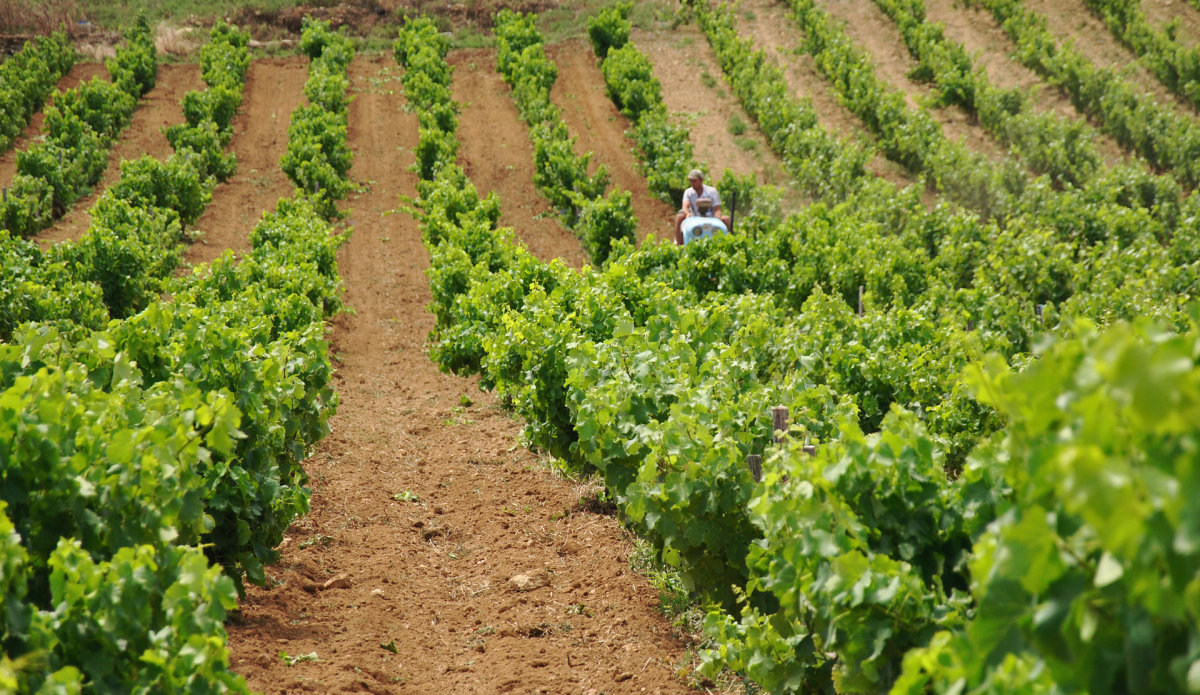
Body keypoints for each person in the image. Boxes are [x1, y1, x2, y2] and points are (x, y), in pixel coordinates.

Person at [674, 169, 732, 245]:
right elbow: (685, 206)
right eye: (690, 181)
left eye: (694, 181)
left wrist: (717, 217)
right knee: (679, 217)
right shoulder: (688, 192)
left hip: (711, 219)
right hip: (694, 218)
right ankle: (679, 244)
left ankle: (729, 243)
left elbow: (717, 209)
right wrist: (688, 214)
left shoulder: (712, 191)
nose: (692, 183)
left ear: (701, 180)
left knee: (726, 219)